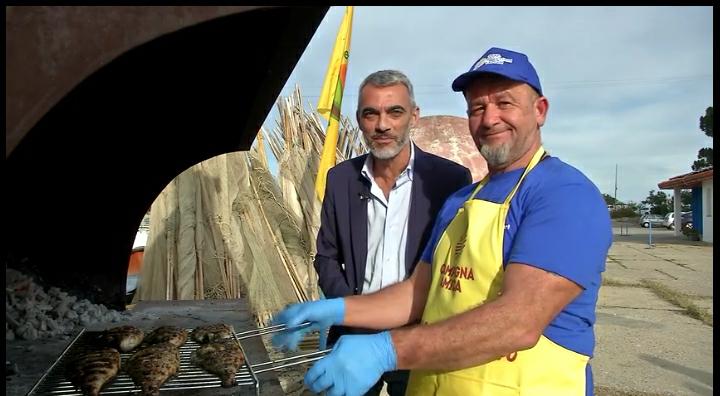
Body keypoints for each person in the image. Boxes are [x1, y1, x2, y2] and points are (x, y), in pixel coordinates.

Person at [273, 47, 612, 396]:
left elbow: (518, 322)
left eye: (505, 103)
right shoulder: (460, 201)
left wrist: (385, 351)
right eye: (478, 108)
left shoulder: (564, 194)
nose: (490, 118)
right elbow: (417, 293)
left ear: (539, 111)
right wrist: (340, 308)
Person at [311, 69, 472, 396]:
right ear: (359, 119)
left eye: (394, 112)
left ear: (414, 115)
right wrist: (352, 310)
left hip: (418, 336)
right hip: (354, 335)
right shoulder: (341, 179)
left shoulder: (449, 180)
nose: (382, 125)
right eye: (371, 113)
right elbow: (327, 255)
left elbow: (453, 262)